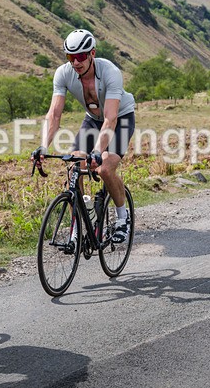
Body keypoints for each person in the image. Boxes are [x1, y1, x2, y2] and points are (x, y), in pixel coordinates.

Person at [32, 29, 136, 244]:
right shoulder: (63, 73)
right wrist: (43, 146)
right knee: (74, 165)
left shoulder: (110, 72)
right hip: (93, 119)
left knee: (104, 168)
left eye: (80, 56)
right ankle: (79, 223)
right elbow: (54, 114)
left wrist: (97, 151)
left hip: (120, 118)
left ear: (92, 54)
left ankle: (122, 218)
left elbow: (110, 119)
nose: (76, 62)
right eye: (71, 57)